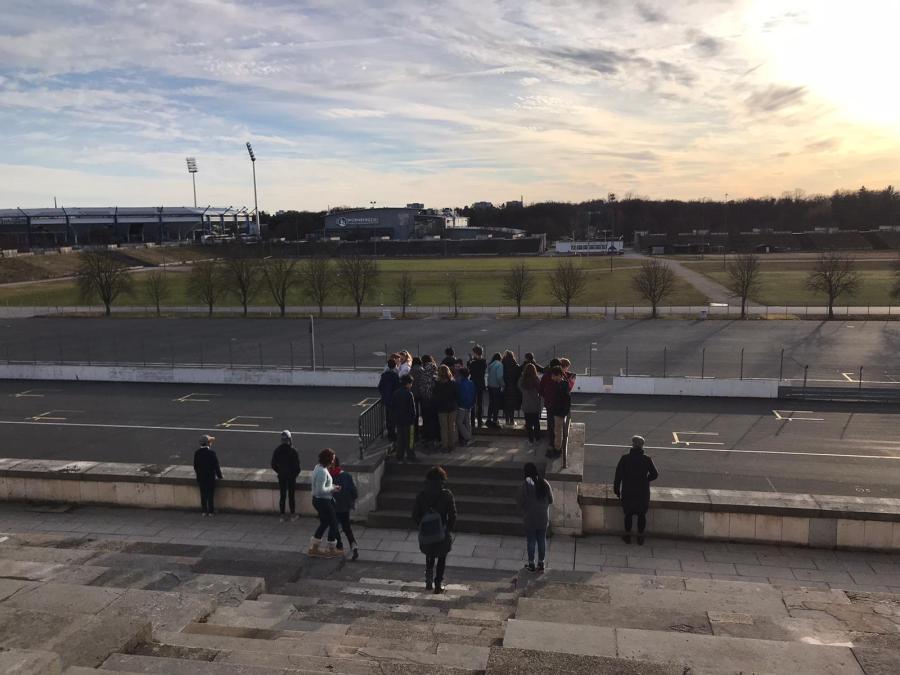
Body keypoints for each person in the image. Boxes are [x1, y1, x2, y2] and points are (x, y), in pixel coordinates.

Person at [412, 466, 457, 594]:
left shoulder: (421, 495)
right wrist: (448, 528)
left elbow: (415, 515)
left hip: (427, 531)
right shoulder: (447, 495)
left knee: (429, 555)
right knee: (442, 558)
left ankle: (428, 580)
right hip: (442, 531)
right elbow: (453, 515)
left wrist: (422, 526)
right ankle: (438, 584)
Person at [614, 436, 659, 545]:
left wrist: (616, 490)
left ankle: (627, 536)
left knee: (628, 514)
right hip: (642, 492)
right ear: (642, 446)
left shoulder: (625, 458)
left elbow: (618, 476)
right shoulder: (647, 459)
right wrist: (646, 479)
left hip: (628, 490)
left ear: (633, 444)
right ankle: (640, 537)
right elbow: (655, 474)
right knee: (641, 514)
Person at [517, 462, 553, 572]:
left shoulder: (524, 486)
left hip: (530, 518)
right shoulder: (544, 483)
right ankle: (541, 563)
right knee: (541, 540)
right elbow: (551, 500)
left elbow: (520, 502)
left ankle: (531, 564)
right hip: (543, 517)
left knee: (531, 541)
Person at [308, 448, 343, 558]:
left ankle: (314, 548)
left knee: (324, 523)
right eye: (332, 459)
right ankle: (331, 549)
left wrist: (332, 486)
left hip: (318, 500)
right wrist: (333, 489)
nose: (333, 461)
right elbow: (320, 490)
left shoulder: (318, 467)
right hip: (323, 501)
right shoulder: (322, 472)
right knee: (334, 523)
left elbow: (320, 488)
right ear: (328, 459)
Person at [329, 456, 360, 560]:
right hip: (345, 506)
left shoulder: (329, 477)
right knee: (347, 528)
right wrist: (352, 501)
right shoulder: (346, 476)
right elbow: (354, 492)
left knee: (334, 527)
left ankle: (339, 546)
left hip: (333, 506)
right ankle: (354, 546)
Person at [271, 430, 301, 522]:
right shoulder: (293, 451)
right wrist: (294, 475)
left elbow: (273, 464)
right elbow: (297, 467)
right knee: (291, 496)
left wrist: (279, 471)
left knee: (282, 495)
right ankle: (292, 514)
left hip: (282, 476)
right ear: (290, 439)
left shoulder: (277, 450)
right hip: (291, 477)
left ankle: (282, 515)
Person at [193, 434, 222, 517]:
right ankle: (211, 511)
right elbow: (216, 466)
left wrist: (198, 474)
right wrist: (219, 476)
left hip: (201, 477)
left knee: (203, 494)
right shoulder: (211, 453)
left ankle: (204, 511)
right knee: (210, 494)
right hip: (210, 477)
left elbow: (195, 466)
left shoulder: (197, 453)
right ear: (208, 443)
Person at [391, 374, 417, 462]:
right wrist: (413, 419)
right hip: (409, 421)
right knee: (410, 439)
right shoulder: (409, 394)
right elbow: (412, 409)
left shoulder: (395, 393)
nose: (411, 385)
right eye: (411, 383)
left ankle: (399, 456)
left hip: (398, 420)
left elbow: (393, 407)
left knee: (400, 439)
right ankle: (411, 456)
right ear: (408, 384)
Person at [547, 365, 571, 458]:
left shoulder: (562, 385)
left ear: (558, 375)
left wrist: (563, 413)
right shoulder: (561, 384)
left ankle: (557, 449)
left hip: (559, 412)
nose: (552, 377)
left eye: (553, 375)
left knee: (557, 432)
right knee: (556, 431)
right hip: (557, 411)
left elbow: (567, 401)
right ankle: (557, 448)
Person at [433, 365, 458, 453]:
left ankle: (445, 446)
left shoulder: (437, 384)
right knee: (452, 427)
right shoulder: (453, 383)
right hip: (452, 407)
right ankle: (452, 445)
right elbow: (456, 395)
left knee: (443, 428)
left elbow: (435, 396)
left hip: (441, 408)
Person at [416, 355, 438, 446]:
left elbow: (421, 387)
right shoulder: (436, 371)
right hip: (434, 400)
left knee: (426, 419)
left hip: (425, 400)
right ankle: (434, 437)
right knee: (434, 419)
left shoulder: (423, 373)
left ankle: (427, 437)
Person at [518, 363, 542, 446]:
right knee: (536, 423)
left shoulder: (522, 379)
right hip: (535, 404)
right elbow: (540, 389)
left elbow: (520, 388)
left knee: (528, 424)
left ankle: (530, 440)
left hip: (526, 404)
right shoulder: (536, 379)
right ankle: (537, 438)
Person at [539, 358, 562, 444]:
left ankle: (551, 441)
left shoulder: (546, 376)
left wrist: (546, 396)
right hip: (559, 403)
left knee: (550, 422)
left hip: (549, 403)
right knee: (558, 423)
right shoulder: (561, 375)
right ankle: (557, 442)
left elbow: (540, 389)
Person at [378, 358, 401, 442]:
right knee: (394, 418)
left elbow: (380, 387)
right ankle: (393, 434)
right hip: (394, 400)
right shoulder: (395, 376)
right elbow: (397, 387)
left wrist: (384, 395)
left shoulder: (384, 375)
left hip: (387, 400)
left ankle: (389, 433)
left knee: (388, 417)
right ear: (395, 366)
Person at [467, 345, 487, 428]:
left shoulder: (473, 363)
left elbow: (469, 371)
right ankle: (479, 421)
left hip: (473, 384)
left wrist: (470, 361)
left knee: (473, 404)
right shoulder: (483, 362)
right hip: (481, 384)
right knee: (480, 404)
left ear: (475, 353)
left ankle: (472, 421)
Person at [455, 367, 475, 446]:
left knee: (459, 422)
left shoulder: (459, 383)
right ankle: (469, 437)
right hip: (469, 405)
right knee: (467, 422)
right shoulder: (471, 383)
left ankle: (467, 437)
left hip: (461, 405)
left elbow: (458, 395)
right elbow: (474, 394)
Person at [502, 350, 522, 426]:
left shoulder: (503, 365)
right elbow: (519, 376)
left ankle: (507, 420)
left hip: (506, 387)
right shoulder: (516, 366)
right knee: (512, 405)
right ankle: (512, 420)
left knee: (506, 404)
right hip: (514, 387)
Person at [486, 352, 504, 427]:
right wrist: (503, 384)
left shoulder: (491, 365)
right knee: (496, 404)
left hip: (490, 386)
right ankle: (495, 420)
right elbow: (499, 377)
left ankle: (488, 419)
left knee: (491, 403)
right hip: (496, 387)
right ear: (500, 358)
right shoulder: (499, 365)